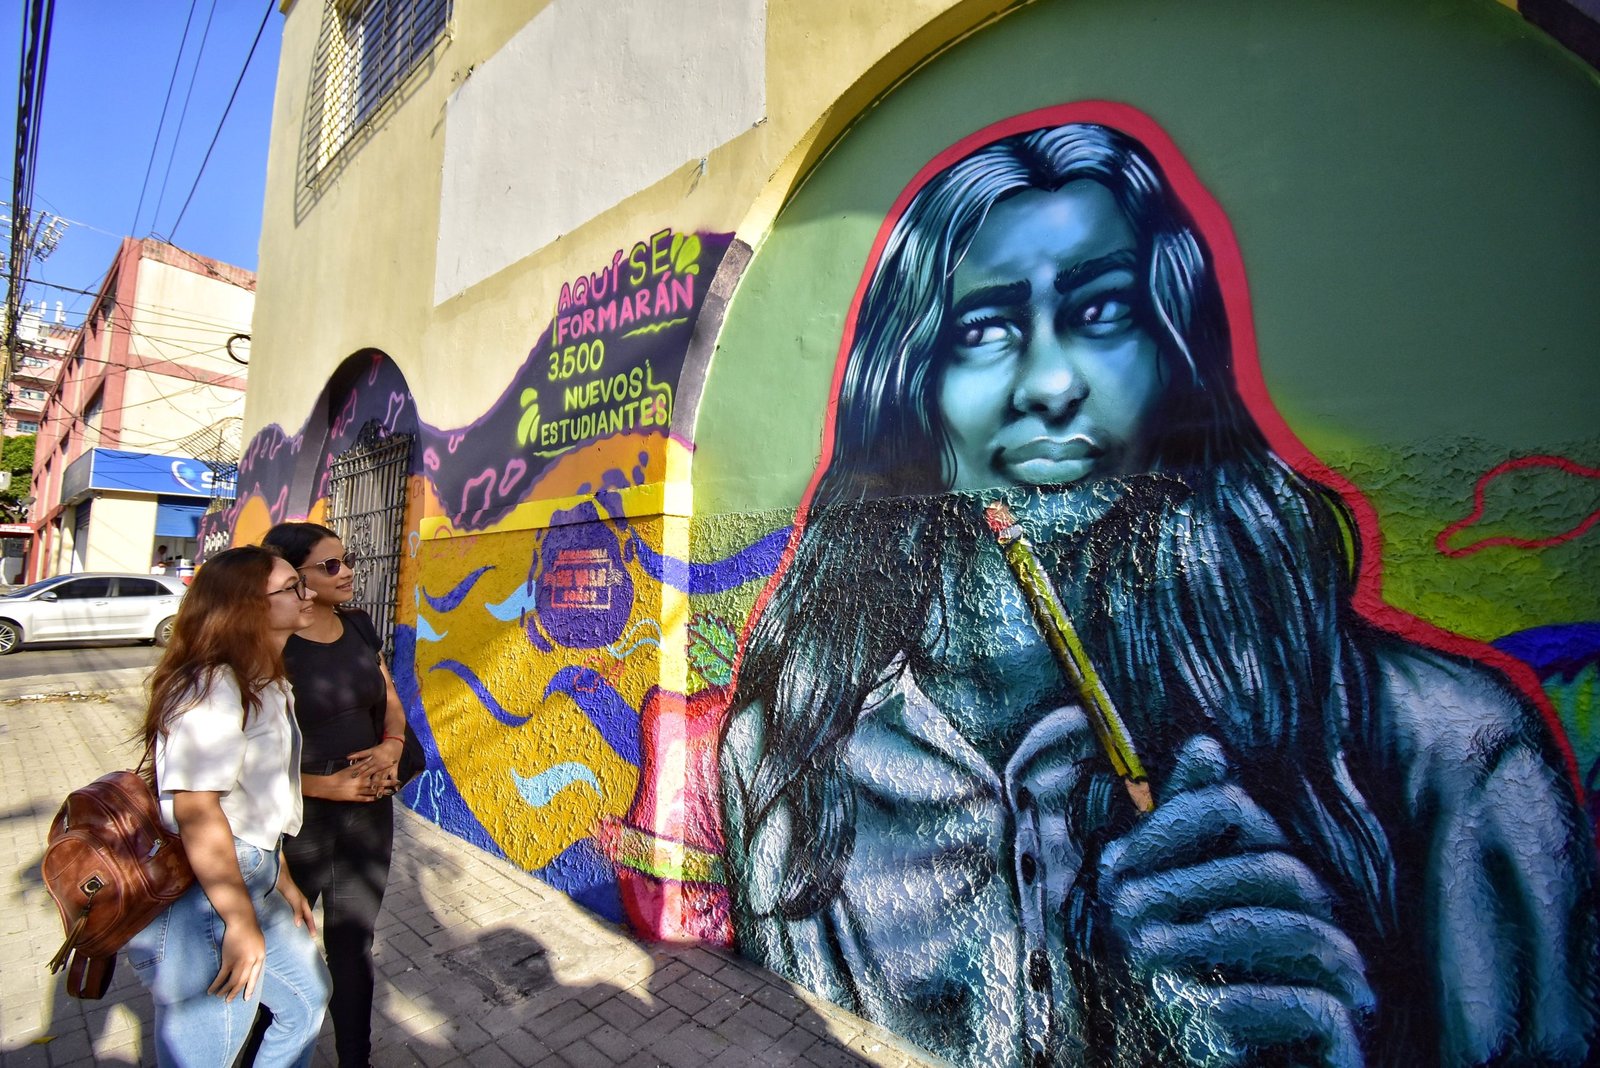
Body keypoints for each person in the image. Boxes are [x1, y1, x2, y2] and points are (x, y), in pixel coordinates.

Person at [718, 115, 1598, 1066]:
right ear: (914, 392)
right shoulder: (795, 753)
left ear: (1178, 356)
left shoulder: (1449, 756)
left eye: (1103, 313)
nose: (1050, 383)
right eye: (984, 328)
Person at [124, 545, 330, 1066]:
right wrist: (238, 922)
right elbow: (197, 812)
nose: (309, 595)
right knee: (207, 1052)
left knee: (307, 1000)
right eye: (293, 587)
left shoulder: (266, 681)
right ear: (247, 607)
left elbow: (257, 800)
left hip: (252, 873)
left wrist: (281, 877)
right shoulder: (212, 686)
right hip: (204, 900)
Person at [253, 521, 406, 1068]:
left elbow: (388, 693)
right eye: (331, 565)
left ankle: (355, 1058)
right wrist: (325, 786)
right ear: (294, 576)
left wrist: (392, 744)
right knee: (281, 952)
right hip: (300, 816)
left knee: (354, 942)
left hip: (369, 807)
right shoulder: (269, 638)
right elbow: (243, 762)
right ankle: (257, 1052)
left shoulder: (359, 625)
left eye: (348, 561)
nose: (347, 573)